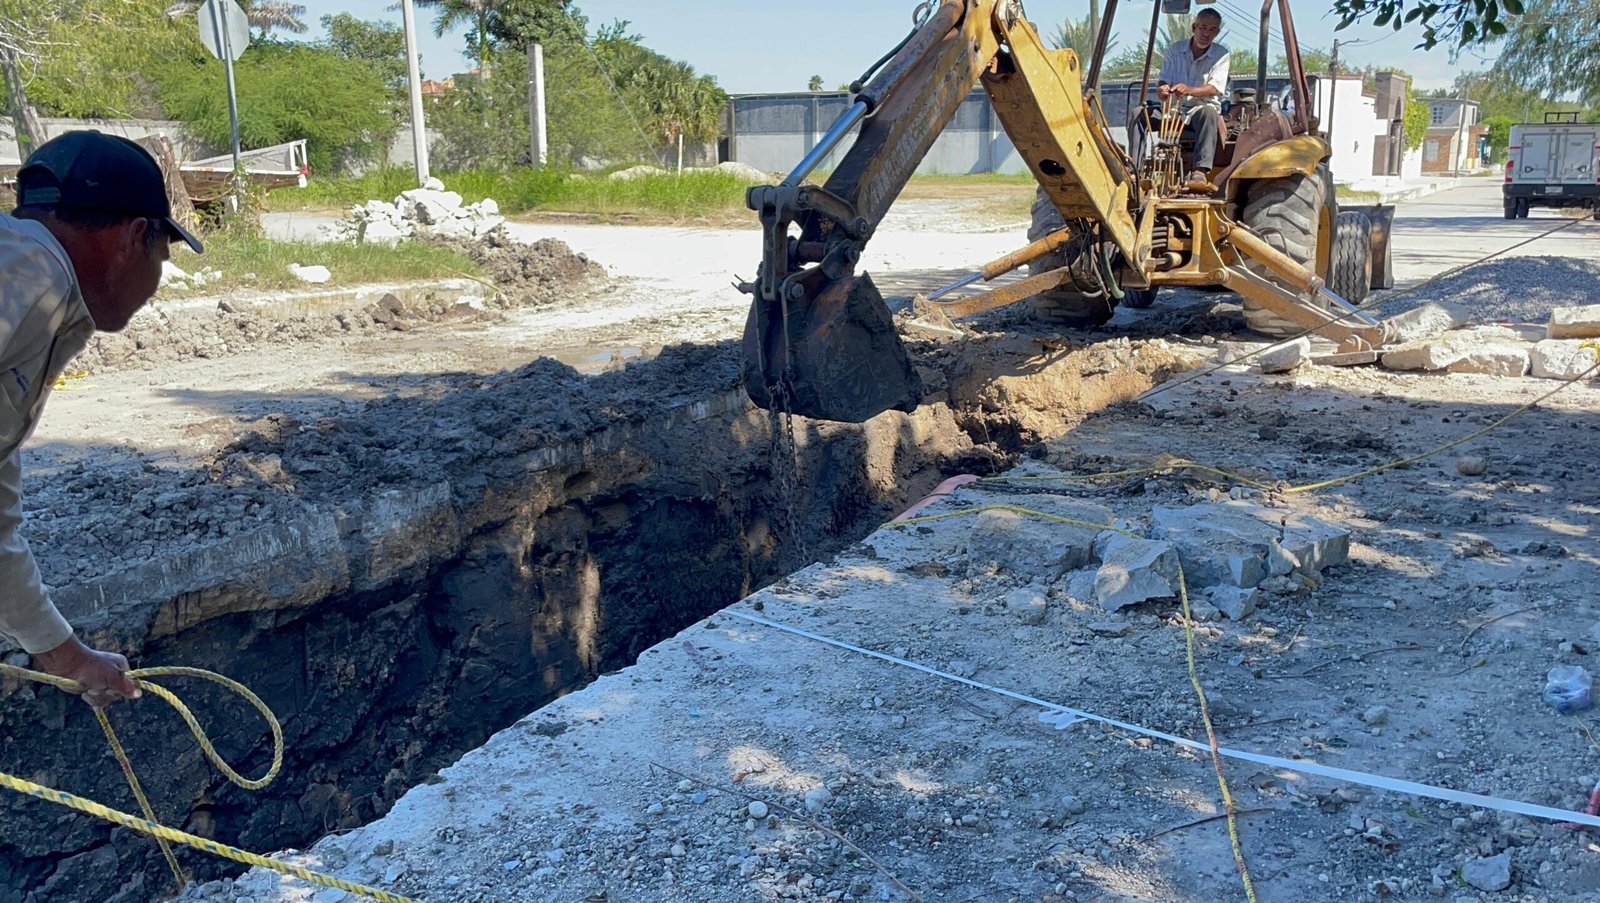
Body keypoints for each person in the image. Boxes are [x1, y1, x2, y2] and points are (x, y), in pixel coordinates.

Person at [0, 131, 204, 707]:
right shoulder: (28, 271)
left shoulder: (41, 291)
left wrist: (68, 657)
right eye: (162, 255)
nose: (155, 282)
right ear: (136, 235)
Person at [1134, 8, 1232, 183]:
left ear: (1216, 32)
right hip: (1172, 110)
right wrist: (1163, 89)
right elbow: (1164, 80)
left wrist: (1189, 90)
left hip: (1198, 109)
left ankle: (1200, 171)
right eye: (1203, 28)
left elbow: (1214, 88)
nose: (1206, 34)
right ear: (1194, 27)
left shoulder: (1221, 55)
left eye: (1212, 30)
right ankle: (1135, 167)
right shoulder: (1175, 50)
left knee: (1210, 113)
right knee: (1139, 114)